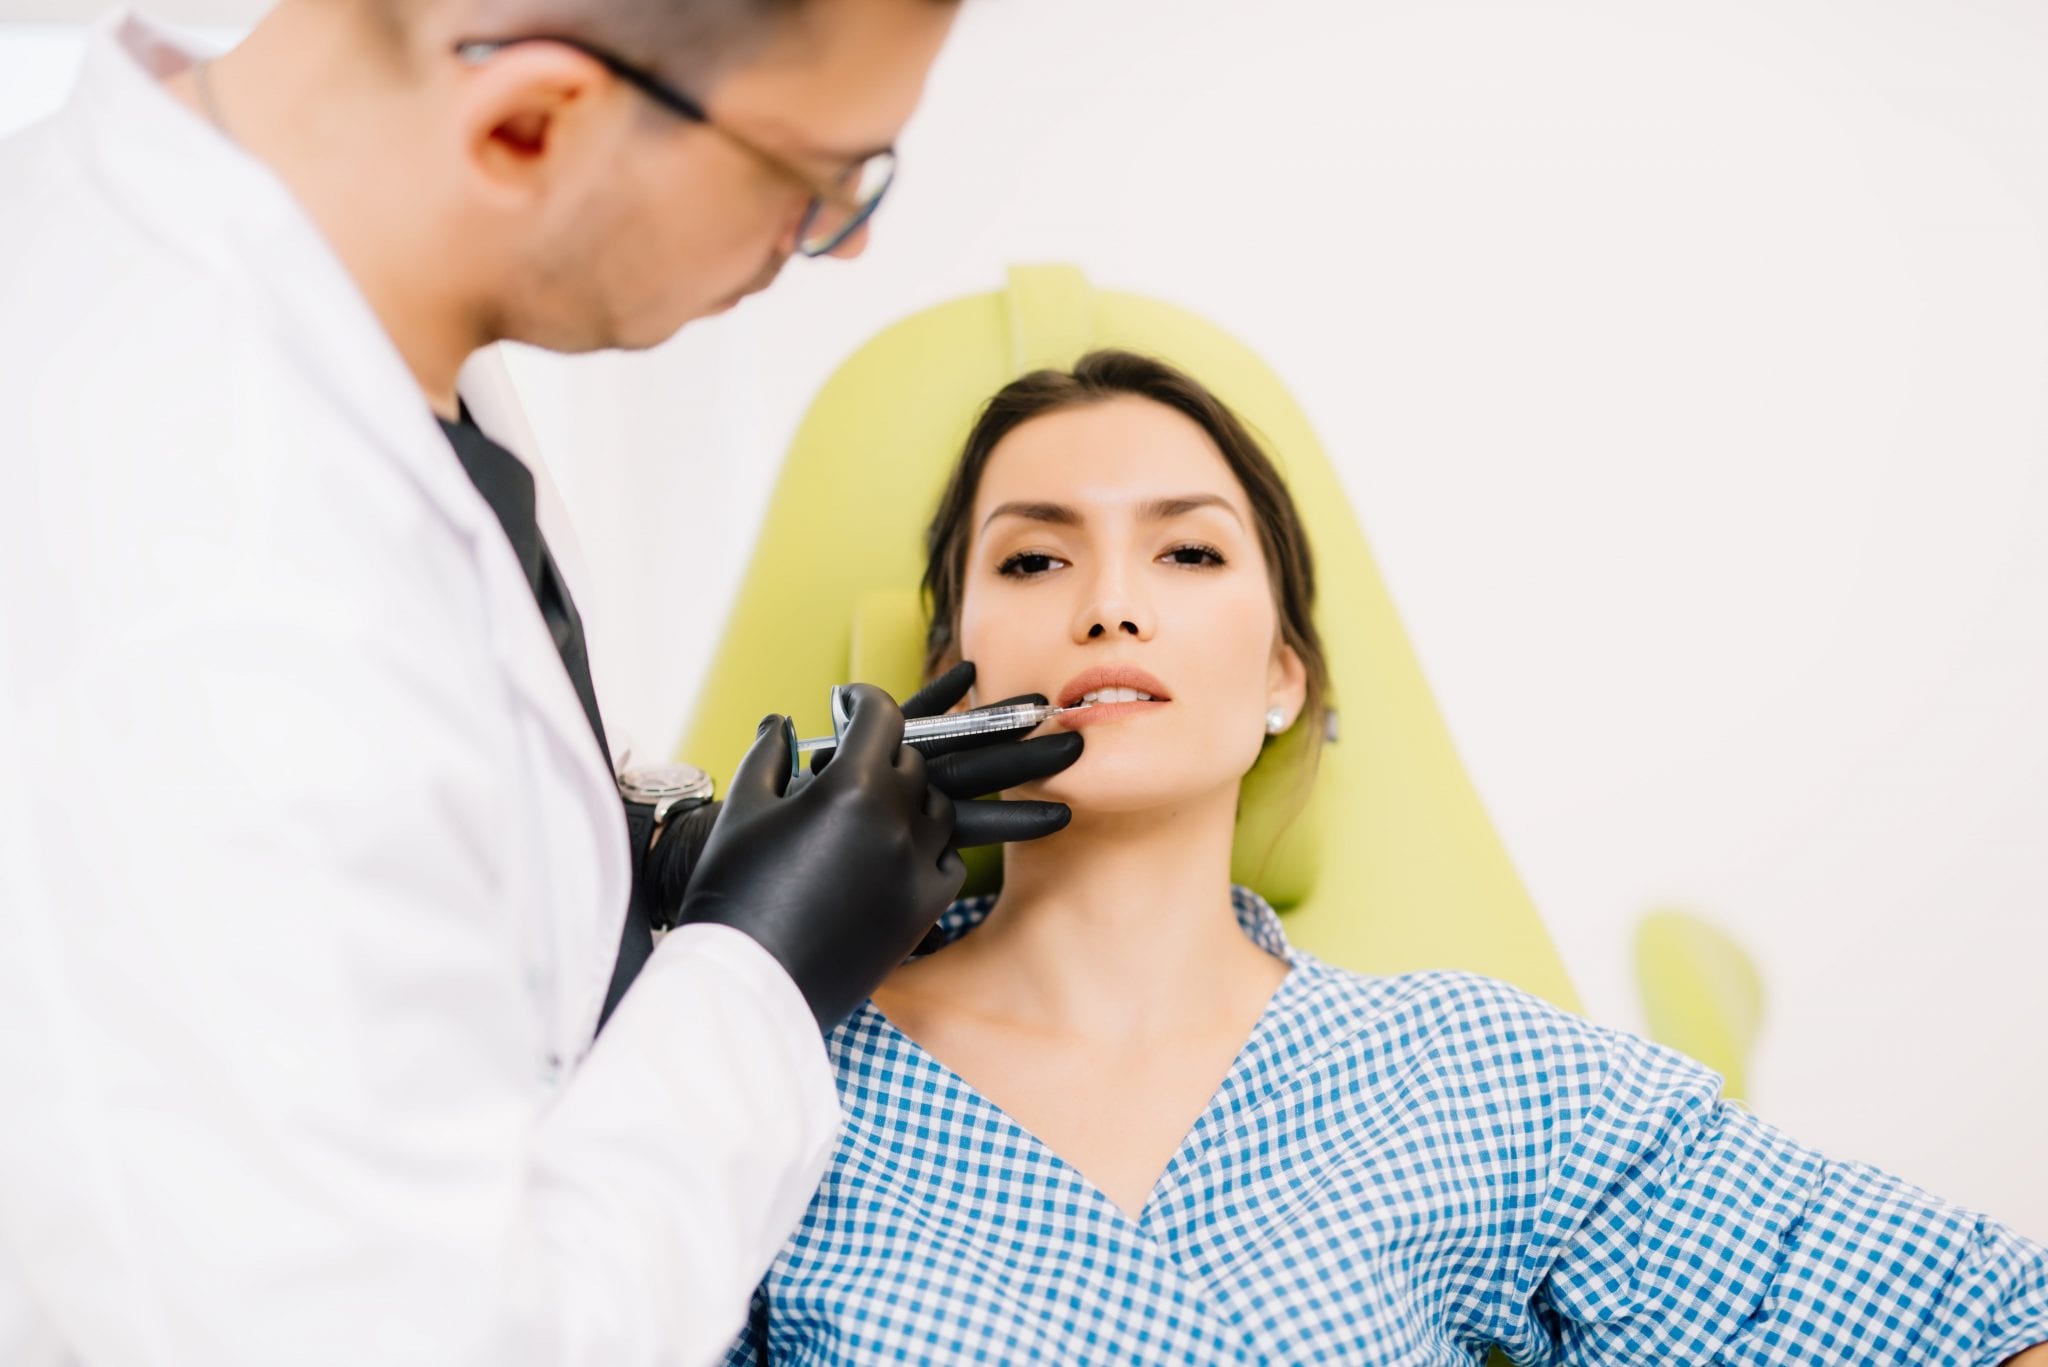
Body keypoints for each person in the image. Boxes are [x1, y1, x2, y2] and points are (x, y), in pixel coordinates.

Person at [0, 0, 1084, 1362]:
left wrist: (646, 869)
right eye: (817, 184)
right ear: (528, 121)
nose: (847, 243)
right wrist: (758, 977)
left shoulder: (345, 308)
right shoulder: (204, 601)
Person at [723, 349, 2048, 1364]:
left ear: (1284, 677)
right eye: (1031, 558)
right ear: (942, 674)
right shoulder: (758, 1062)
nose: (1106, 602)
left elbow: (1975, 1322)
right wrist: (715, 975)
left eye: (1186, 550)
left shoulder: (1481, 1079)